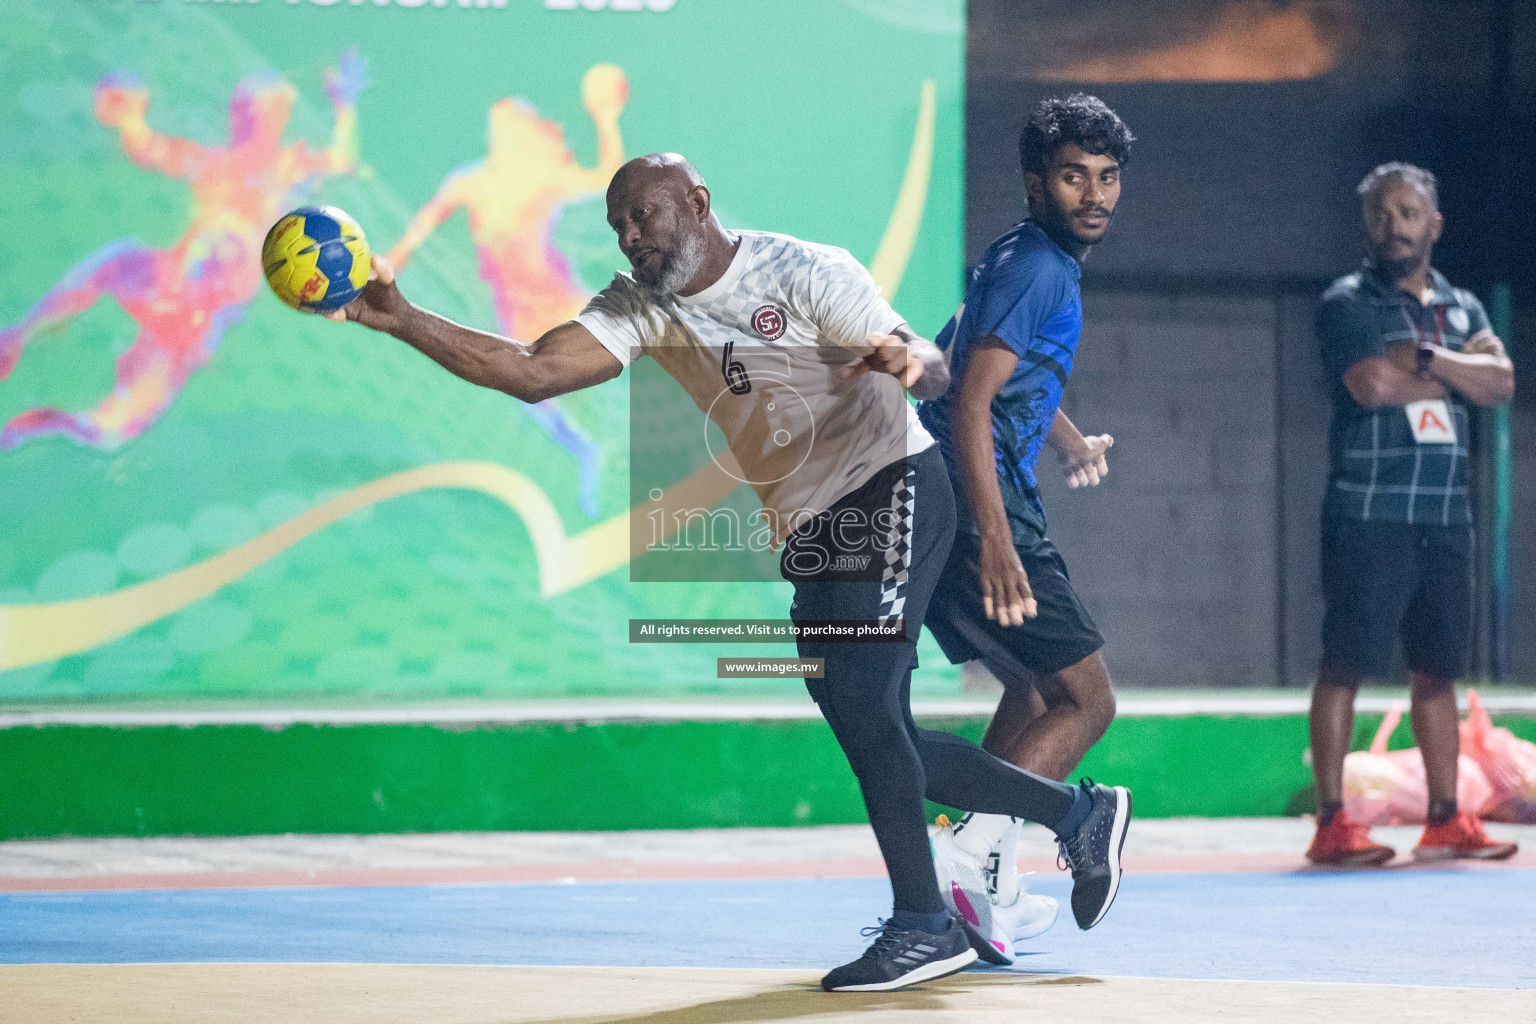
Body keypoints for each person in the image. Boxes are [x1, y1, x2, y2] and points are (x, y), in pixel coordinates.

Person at [322, 152, 1130, 991]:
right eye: (619, 226)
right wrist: (404, 318)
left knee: (864, 708)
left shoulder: (804, 270)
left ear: (698, 203)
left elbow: (922, 359)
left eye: (645, 215)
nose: (631, 236)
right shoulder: (640, 306)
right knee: (871, 729)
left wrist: (908, 362)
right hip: (814, 527)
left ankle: (926, 921)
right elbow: (534, 370)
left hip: (893, 482)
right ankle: (1077, 813)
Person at [917, 94, 1132, 964]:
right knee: (1089, 699)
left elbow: (959, 364)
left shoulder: (1018, 259)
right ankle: (974, 850)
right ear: (1036, 182)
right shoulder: (1039, 266)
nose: (1095, 194)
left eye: (1109, 177)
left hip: (949, 508)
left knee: (1032, 690)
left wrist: (1069, 436)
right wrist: (998, 540)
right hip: (980, 514)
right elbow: (966, 401)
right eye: (1075, 176)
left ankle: (983, 883)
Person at [1307, 162, 1517, 866]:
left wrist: (1425, 356)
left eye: (1406, 212)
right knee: (1346, 663)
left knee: (1438, 669)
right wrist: (1461, 367)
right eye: (1379, 214)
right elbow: (1369, 384)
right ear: (1366, 225)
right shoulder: (1347, 303)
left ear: (1435, 224)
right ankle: (1332, 824)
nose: (1392, 225)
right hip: (1369, 513)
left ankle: (1444, 819)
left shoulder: (1463, 304)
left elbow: (1503, 384)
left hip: (1445, 517)